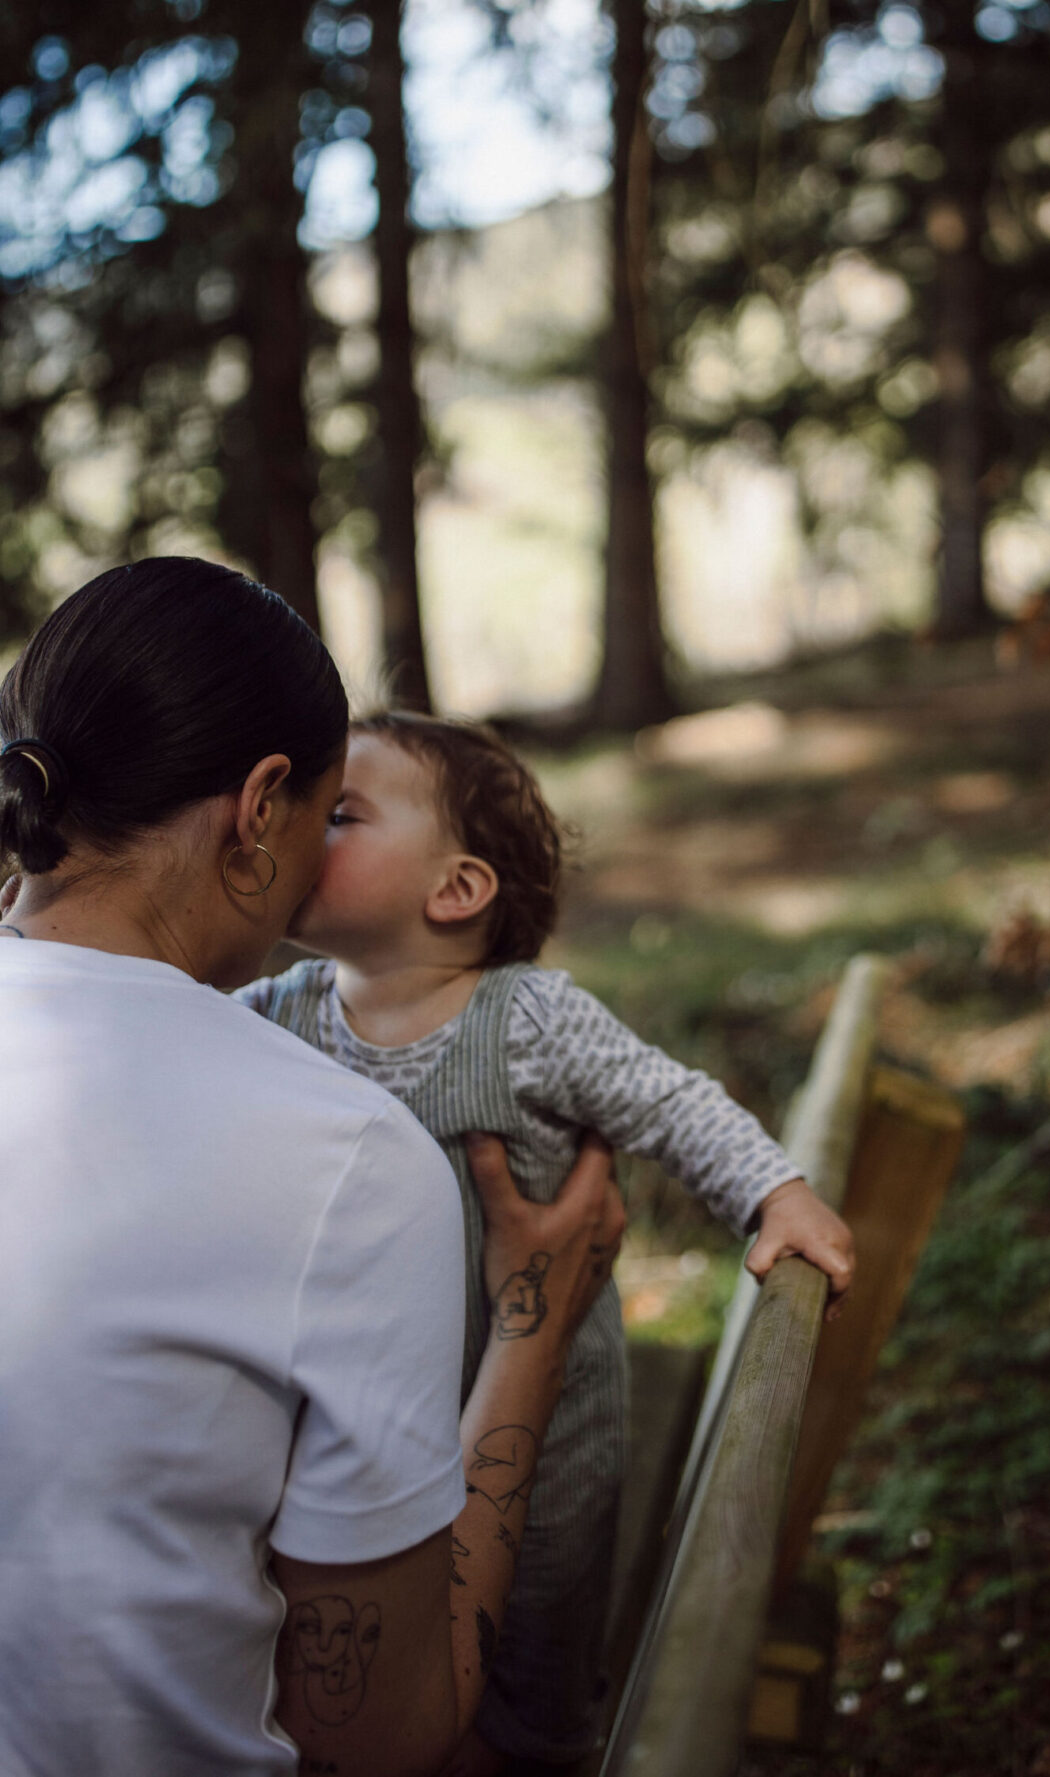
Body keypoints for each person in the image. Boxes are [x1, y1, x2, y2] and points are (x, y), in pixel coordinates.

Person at [0, 558, 623, 1777]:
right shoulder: (345, 1161)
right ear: (261, 805)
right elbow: (378, 1745)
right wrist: (532, 1326)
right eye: (327, 816)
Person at [238, 709, 856, 1770]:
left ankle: (547, 1746)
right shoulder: (276, 1012)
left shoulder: (523, 1020)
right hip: (366, 1426)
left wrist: (775, 1193)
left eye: (339, 813)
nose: (300, 829)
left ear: (457, 890)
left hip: (547, 1424)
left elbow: (672, 1104)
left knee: (537, 1616)